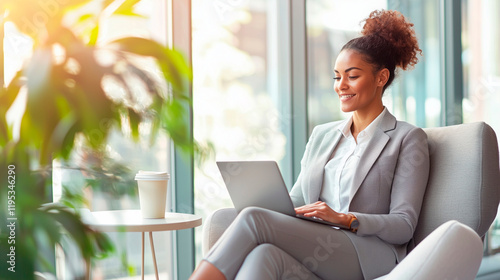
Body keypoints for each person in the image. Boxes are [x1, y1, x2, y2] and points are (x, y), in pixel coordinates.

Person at [190, 9, 430, 280]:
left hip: (368, 254)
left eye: (352, 76)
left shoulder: (407, 138)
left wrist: (344, 218)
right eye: (337, 76)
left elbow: (404, 225)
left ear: (381, 78)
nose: (341, 86)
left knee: (254, 220)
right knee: (262, 254)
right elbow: (300, 200)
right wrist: (271, 201)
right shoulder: (322, 135)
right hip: (318, 242)